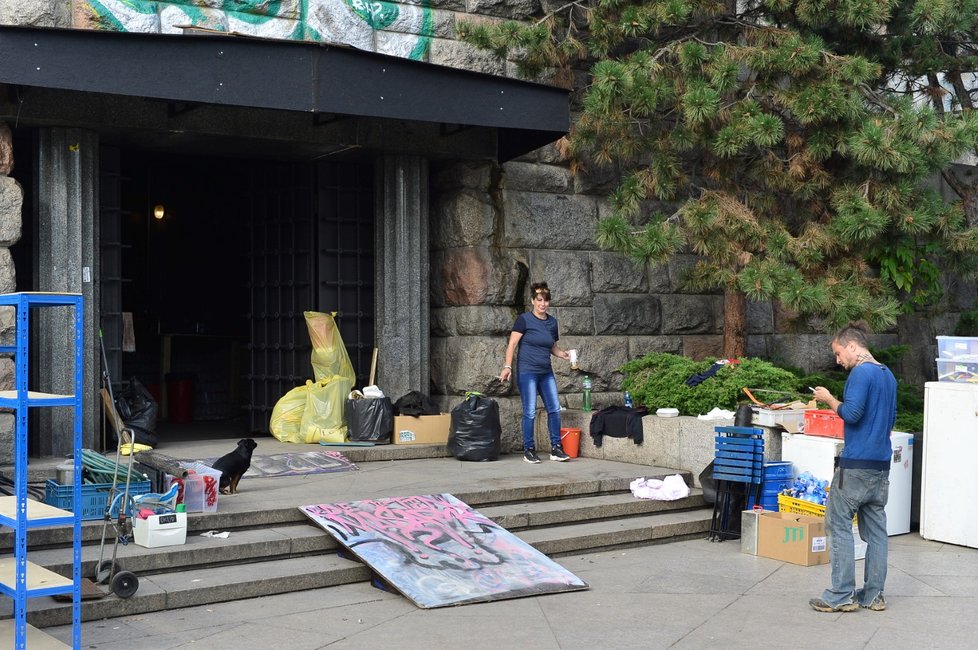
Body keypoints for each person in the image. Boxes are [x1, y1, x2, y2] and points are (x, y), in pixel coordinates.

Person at [809, 322, 896, 613]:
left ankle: (841, 595)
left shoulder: (861, 373)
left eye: (838, 352)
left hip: (856, 465)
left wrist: (828, 399)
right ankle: (874, 596)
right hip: (881, 466)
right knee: (877, 534)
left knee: (839, 525)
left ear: (852, 346)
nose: (837, 360)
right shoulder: (888, 375)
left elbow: (852, 413)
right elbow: (888, 420)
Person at [499, 282, 571, 464]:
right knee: (530, 411)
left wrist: (562, 354)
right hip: (527, 372)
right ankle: (529, 450)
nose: (543, 304)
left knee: (554, 409)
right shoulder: (524, 320)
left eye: (546, 301)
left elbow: (551, 345)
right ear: (533, 301)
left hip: (546, 372)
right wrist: (507, 367)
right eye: (539, 300)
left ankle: (556, 448)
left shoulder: (552, 322)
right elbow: (512, 345)